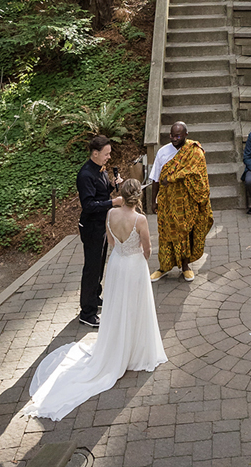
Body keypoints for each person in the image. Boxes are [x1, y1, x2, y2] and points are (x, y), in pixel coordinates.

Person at [23, 179, 167, 420]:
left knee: (117, 306)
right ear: (138, 198)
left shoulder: (110, 213)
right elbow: (148, 248)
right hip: (134, 267)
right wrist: (143, 258)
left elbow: (110, 242)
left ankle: (116, 346)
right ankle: (136, 350)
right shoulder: (140, 220)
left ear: (122, 194)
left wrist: (122, 251)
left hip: (118, 264)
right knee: (135, 308)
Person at [152, 132, 212, 283]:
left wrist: (173, 177)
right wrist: (154, 200)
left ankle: (185, 266)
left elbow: (199, 176)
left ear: (186, 135)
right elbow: (156, 178)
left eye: (178, 136)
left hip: (186, 203)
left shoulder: (195, 152)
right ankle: (164, 267)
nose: (174, 138)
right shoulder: (163, 152)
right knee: (165, 233)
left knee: (184, 232)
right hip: (166, 201)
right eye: (172, 135)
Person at [77, 135, 123, 327]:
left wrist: (112, 186)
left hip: (102, 224)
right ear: (95, 154)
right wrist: (113, 202)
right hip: (92, 227)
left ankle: (95, 297)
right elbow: (88, 205)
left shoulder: (100, 170)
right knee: (92, 268)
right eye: (106, 154)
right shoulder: (85, 174)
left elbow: (101, 194)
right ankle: (86, 312)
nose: (108, 157)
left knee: (99, 265)